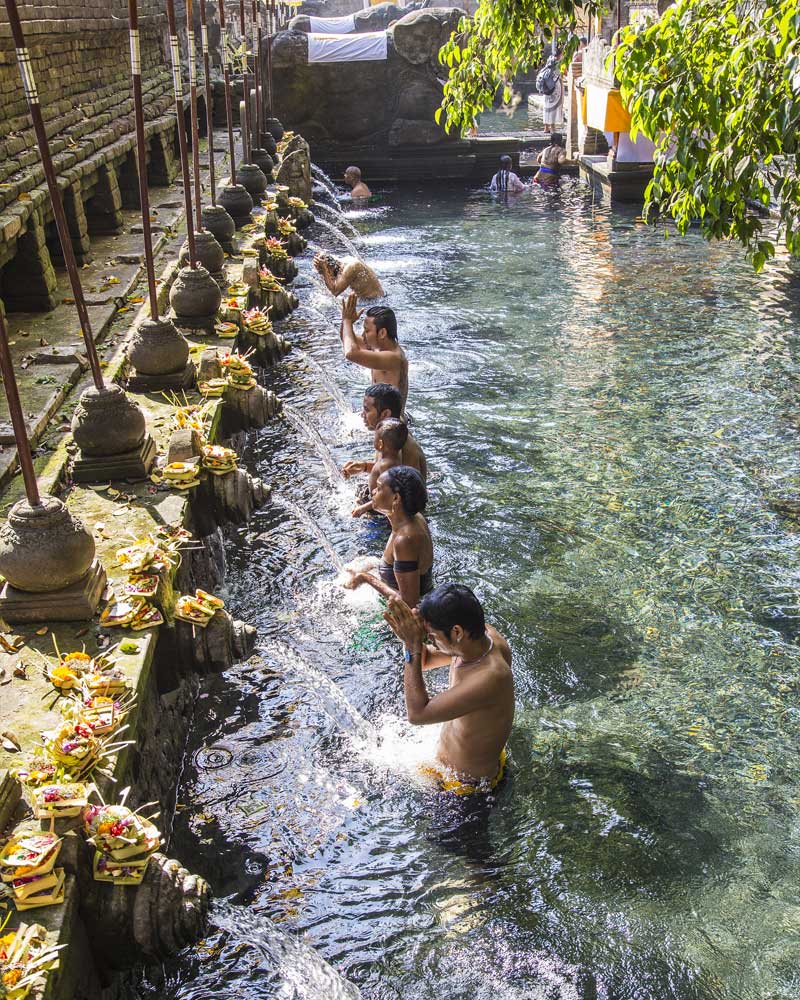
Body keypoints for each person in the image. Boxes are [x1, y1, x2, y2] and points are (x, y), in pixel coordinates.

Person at [383, 583, 514, 792]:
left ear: (457, 632)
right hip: (450, 770)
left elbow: (417, 715)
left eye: (433, 637)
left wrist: (411, 646)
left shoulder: (491, 676)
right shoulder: (477, 640)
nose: (431, 643)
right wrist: (412, 635)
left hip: (468, 791)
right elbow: (424, 662)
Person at [344, 466, 434, 608]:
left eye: (379, 488)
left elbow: (409, 603)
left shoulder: (405, 540)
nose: (373, 491)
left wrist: (366, 578)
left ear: (396, 498)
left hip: (402, 616)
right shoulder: (414, 517)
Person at [343, 383, 427, 482]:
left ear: (385, 414)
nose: (362, 415)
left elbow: (395, 491)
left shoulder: (396, 445)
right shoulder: (395, 433)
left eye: (367, 410)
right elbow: (388, 468)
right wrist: (364, 467)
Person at [340, 293, 409, 406]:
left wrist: (347, 321)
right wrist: (347, 322)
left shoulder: (393, 357)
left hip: (390, 422)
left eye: (367, 331)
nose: (363, 335)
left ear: (382, 333)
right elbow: (347, 340)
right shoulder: (378, 347)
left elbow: (351, 353)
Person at [348, 418, 407, 517]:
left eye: (374, 437)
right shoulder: (394, 455)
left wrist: (362, 509)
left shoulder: (386, 465)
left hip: (379, 506)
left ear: (380, 444)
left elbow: (386, 497)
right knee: (358, 491)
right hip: (375, 495)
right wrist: (363, 467)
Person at [313, 252, 384, 301]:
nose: (323, 275)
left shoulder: (350, 267)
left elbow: (334, 293)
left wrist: (324, 271)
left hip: (374, 301)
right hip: (366, 299)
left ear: (329, 268)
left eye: (322, 272)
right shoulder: (339, 265)